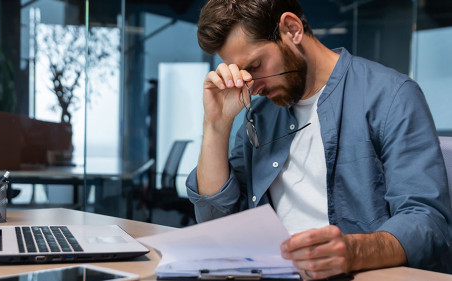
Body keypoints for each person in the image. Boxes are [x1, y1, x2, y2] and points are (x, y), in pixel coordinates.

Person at [185, 0, 452, 279]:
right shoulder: (260, 115)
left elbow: (428, 222)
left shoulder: (391, 96)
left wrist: (354, 252)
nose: (254, 86)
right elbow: (216, 223)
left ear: (292, 29)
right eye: (244, 73)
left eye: (256, 65)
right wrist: (216, 125)